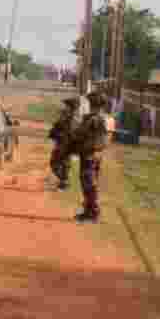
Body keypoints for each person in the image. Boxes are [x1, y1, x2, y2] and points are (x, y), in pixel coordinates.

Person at [69, 90, 109, 223]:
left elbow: (79, 134)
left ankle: (93, 212)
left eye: (91, 102)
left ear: (94, 103)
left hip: (89, 155)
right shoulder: (100, 118)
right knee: (89, 183)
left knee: (89, 184)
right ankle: (88, 211)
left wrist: (76, 126)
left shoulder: (94, 118)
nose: (90, 104)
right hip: (93, 154)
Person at [48, 97, 80, 190]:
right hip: (63, 144)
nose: (64, 107)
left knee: (57, 163)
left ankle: (64, 182)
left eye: (66, 106)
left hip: (65, 145)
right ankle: (63, 182)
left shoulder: (72, 119)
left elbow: (67, 131)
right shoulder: (69, 117)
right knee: (60, 163)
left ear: (70, 107)